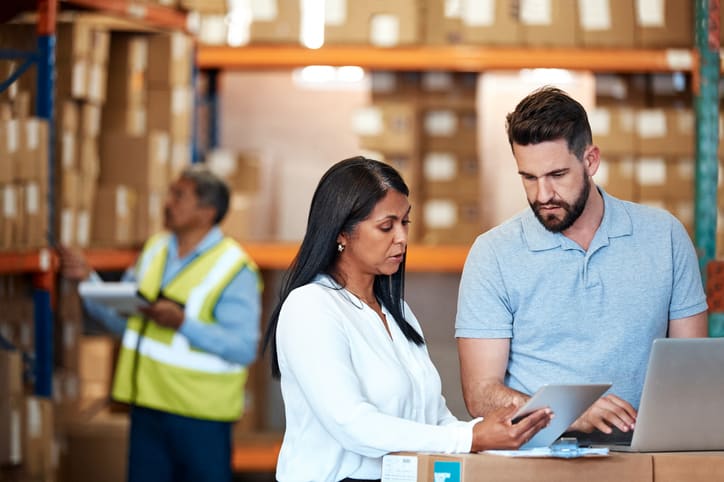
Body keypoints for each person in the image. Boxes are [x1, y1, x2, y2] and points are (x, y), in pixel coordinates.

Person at [263, 156, 553, 482]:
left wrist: (502, 428)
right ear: (342, 232)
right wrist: (470, 438)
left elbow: (433, 422)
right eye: (387, 226)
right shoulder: (311, 307)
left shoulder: (397, 312)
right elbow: (353, 424)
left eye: (405, 223)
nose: (401, 238)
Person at [455, 86, 708, 442]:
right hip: (536, 459)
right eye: (528, 178)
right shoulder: (493, 254)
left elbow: (694, 370)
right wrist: (571, 414)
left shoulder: (664, 237)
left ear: (590, 161)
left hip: (642, 454)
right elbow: (480, 393)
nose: (542, 195)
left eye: (557, 175)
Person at [59, 165, 262, 482]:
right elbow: (127, 324)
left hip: (201, 418)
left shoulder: (233, 268)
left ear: (207, 211)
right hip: (148, 409)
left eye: (179, 196)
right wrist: (89, 282)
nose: (167, 202)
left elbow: (243, 348)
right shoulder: (154, 249)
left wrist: (182, 323)